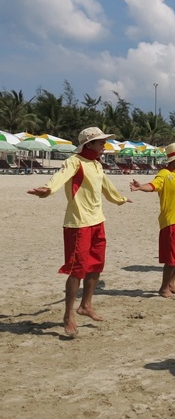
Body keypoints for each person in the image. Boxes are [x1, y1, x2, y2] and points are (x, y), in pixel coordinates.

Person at [28, 127, 131, 337]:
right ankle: (68, 314)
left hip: (97, 222)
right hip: (78, 224)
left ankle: (86, 305)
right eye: (101, 142)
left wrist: (120, 199)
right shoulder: (75, 162)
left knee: (96, 265)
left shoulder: (96, 164)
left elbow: (107, 187)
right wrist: (47, 190)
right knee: (76, 270)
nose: (104, 146)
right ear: (88, 144)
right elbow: (61, 176)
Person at [130, 142, 175, 298]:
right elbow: (154, 185)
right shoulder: (164, 173)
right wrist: (140, 186)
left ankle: (171, 282)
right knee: (172, 258)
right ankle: (164, 287)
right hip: (170, 221)